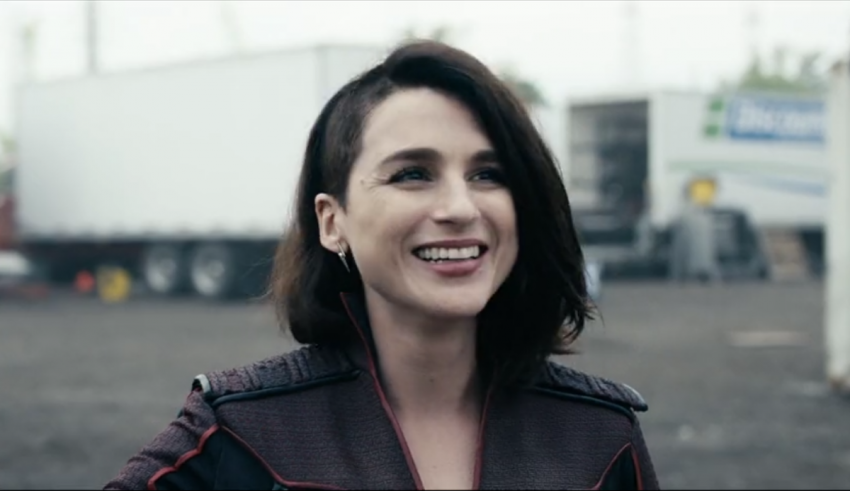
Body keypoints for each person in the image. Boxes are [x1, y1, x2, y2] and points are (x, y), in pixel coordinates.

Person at [104, 40, 659, 490]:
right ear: (331, 220)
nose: (461, 208)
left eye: (489, 174)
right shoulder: (241, 429)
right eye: (412, 174)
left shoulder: (600, 436)